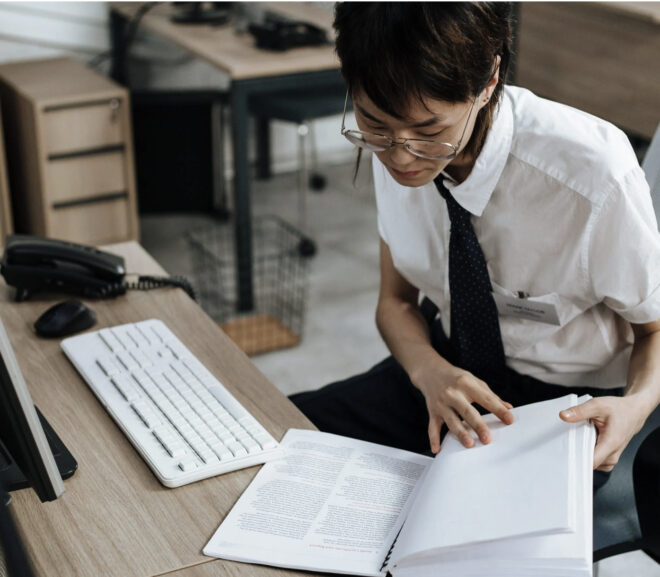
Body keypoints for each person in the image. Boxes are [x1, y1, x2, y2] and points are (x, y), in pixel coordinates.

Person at [290, 2, 660, 477]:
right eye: (374, 124)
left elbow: (655, 329)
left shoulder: (590, 176)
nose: (401, 158)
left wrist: (637, 407)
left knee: (465, 542)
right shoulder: (392, 145)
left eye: (428, 131)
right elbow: (396, 302)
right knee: (273, 435)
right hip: (443, 376)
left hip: (563, 411)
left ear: (488, 83)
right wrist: (427, 370)